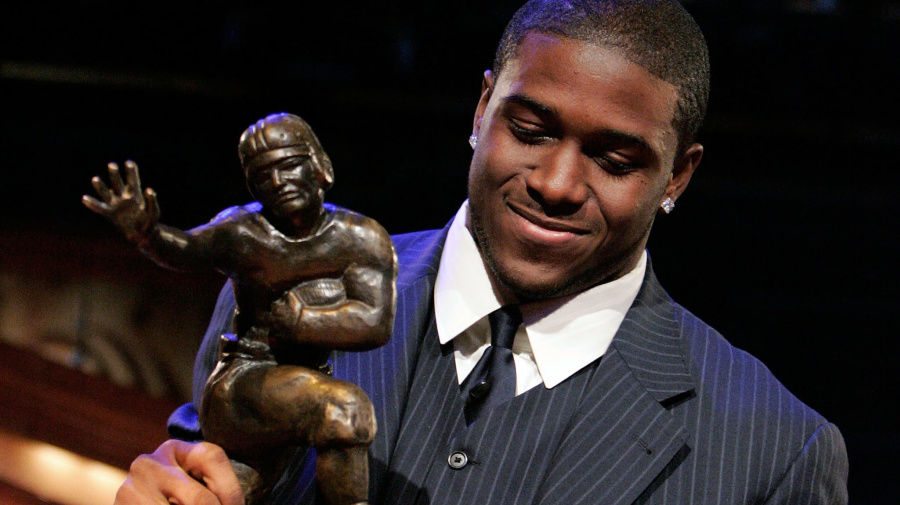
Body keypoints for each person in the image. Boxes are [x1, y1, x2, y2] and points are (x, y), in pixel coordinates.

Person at [113, 1, 850, 504]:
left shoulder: (774, 450)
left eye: (614, 160)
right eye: (530, 130)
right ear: (482, 109)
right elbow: (199, 470)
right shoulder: (280, 295)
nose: (558, 184)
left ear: (677, 176)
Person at [84, 113, 398, 505]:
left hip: (299, 388)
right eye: (264, 175)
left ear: (321, 166)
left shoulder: (360, 239)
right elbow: (188, 250)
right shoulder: (244, 231)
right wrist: (148, 234)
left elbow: (375, 322)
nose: (279, 183)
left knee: (227, 492)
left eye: (288, 165)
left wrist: (303, 322)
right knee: (344, 409)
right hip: (242, 385)